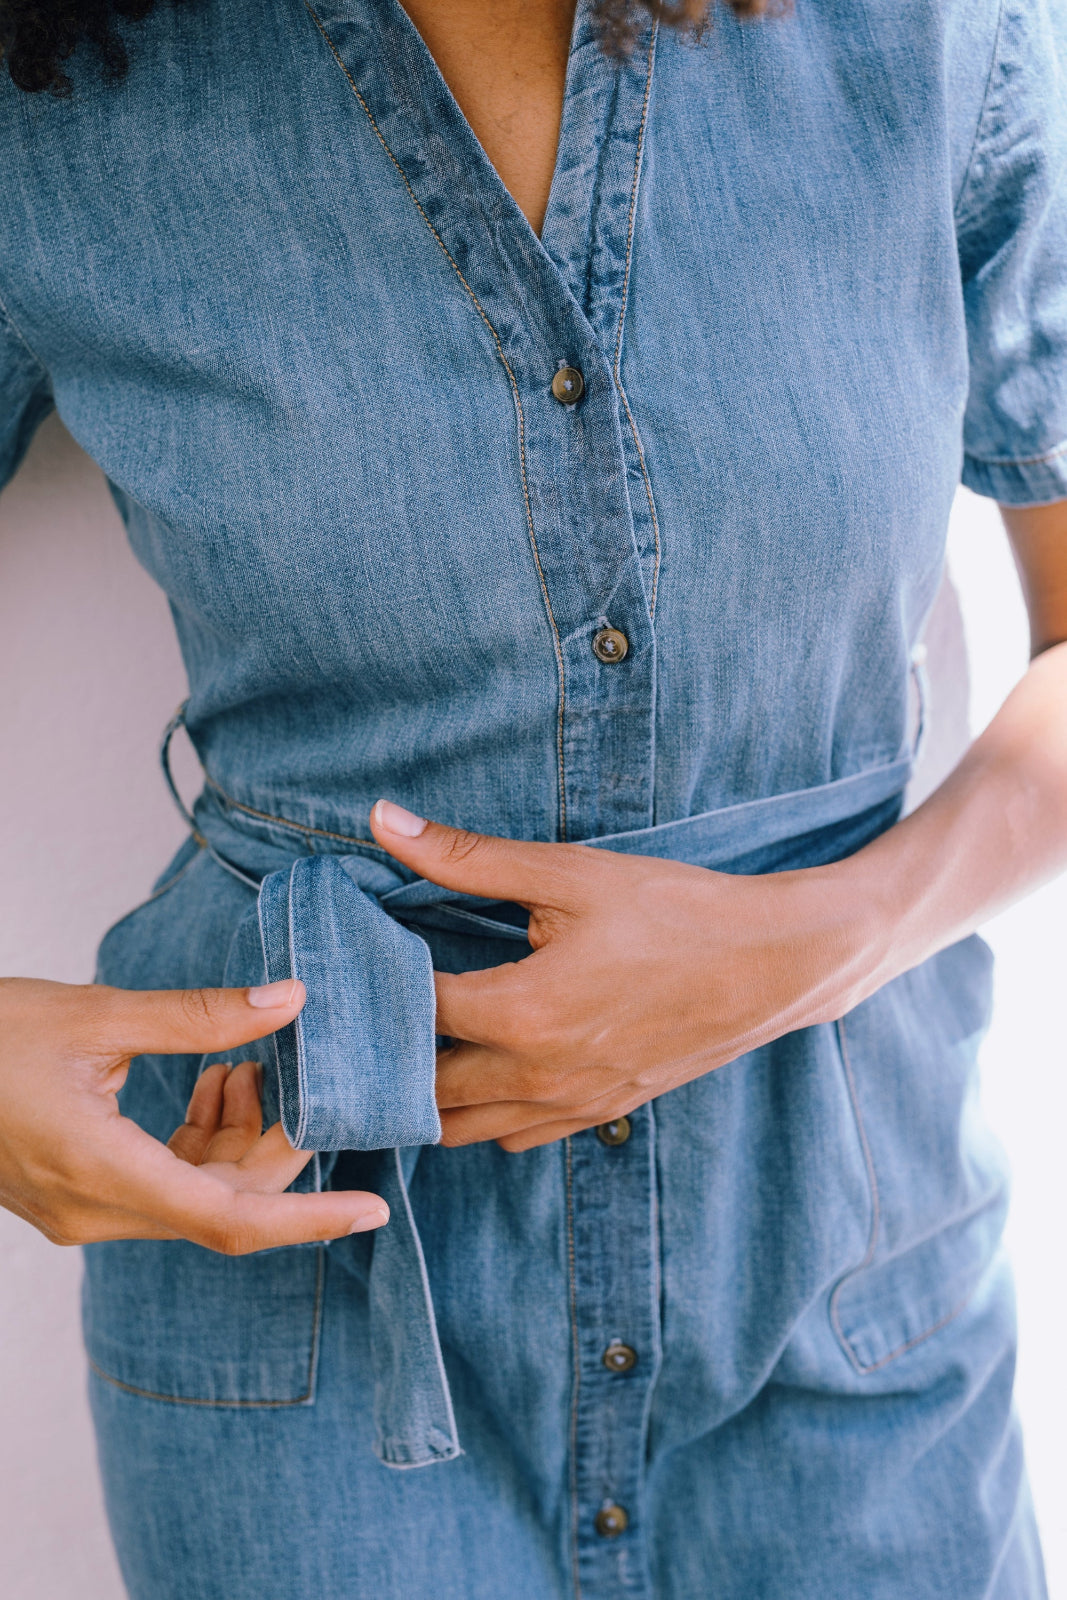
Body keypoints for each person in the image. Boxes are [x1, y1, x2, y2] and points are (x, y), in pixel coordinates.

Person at [2, 0, 1066, 1594]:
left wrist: (812, 940)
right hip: (292, 1286)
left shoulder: (936, 33)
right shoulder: (58, 104)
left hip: (850, 1282)